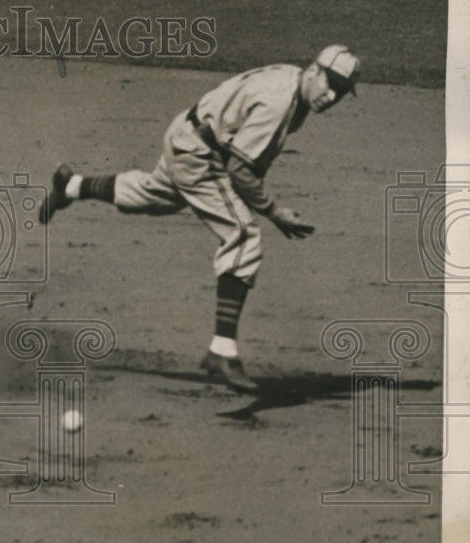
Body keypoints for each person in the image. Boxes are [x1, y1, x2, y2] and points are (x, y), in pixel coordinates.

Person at [38, 44, 360, 393]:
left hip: (189, 134)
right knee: (243, 234)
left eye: (340, 92)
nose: (331, 96)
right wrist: (274, 212)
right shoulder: (278, 104)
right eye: (330, 83)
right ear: (314, 70)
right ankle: (222, 349)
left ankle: (69, 186)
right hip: (201, 155)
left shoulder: (290, 77)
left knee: (153, 194)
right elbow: (241, 170)